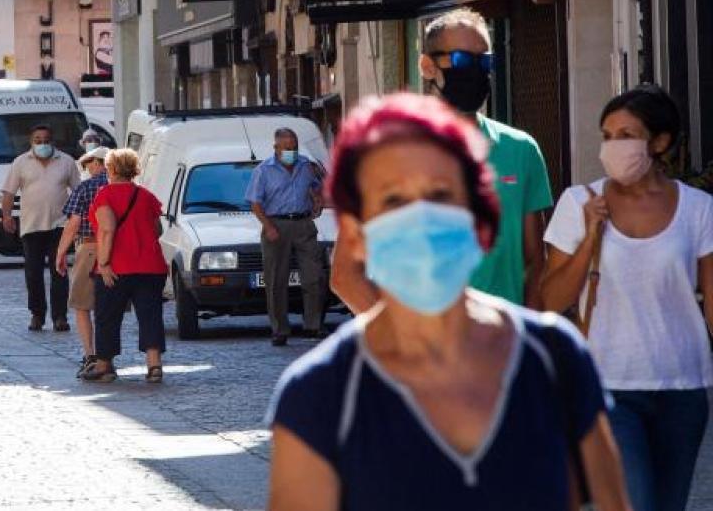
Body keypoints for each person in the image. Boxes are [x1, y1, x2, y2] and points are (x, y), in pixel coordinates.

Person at [267, 93, 629, 511]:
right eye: (393, 200)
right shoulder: (319, 392)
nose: (421, 218)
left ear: (480, 217)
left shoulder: (554, 359)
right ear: (355, 233)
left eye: (440, 195)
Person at [542, 84, 713, 511]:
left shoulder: (699, 209)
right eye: (607, 135)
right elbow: (550, 299)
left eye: (626, 135)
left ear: (659, 142)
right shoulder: (579, 202)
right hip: (608, 384)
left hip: (683, 387)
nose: (613, 146)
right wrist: (589, 238)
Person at [331, 8, 552, 313]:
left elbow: (536, 262)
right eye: (461, 60)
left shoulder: (521, 150)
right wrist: (400, 336)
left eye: (484, 61)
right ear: (427, 66)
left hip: (500, 339)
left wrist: (524, 336)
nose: (475, 70)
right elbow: (345, 275)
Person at [81, 149, 169, 384]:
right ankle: (154, 365)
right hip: (150, 266)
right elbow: (157, 229)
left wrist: (104, 263)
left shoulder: (104, 195)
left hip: (117, 267)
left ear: (111, 169)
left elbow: (107, 229)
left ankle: (104, 365)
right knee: (150, 316)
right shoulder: (146, 195)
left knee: (107, 316)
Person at [246, 127, 326, 345]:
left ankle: (313, 326)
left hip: (303, 224)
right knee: (275, 280)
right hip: (276, 225)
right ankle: (280, 329)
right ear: (276, 148)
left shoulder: (305, 166)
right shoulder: (263, 171)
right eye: (287, 148)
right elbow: (255, 203)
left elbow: (316, 188)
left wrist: (317, 200)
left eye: (294, 147)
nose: (292, 152)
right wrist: (268, 226)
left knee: (314, 276)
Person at [1, 125, 81, 332]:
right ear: (31, 142)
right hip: (31, 225)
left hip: (60, 225)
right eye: (38, 140)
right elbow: (9, 192)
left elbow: (77, 191)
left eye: (46, 140)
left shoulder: (66, 161)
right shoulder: (20, 162)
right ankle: (37, 314)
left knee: (59, 271)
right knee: (33, 273)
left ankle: (60, 316)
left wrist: (78, 218)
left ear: (52, 141)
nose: (42, 144)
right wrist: (7, 215)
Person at [54, 146, 110, 376]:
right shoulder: (125, 186)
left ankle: (90, 355)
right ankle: (107, 356)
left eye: (88, 165)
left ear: (97, 163)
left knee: (82, 305)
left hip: (89, 247)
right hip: (116, 251)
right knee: (109, 307)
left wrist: (60, 253)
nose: (87, 170)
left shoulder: (86, 187)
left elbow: (73, 223)